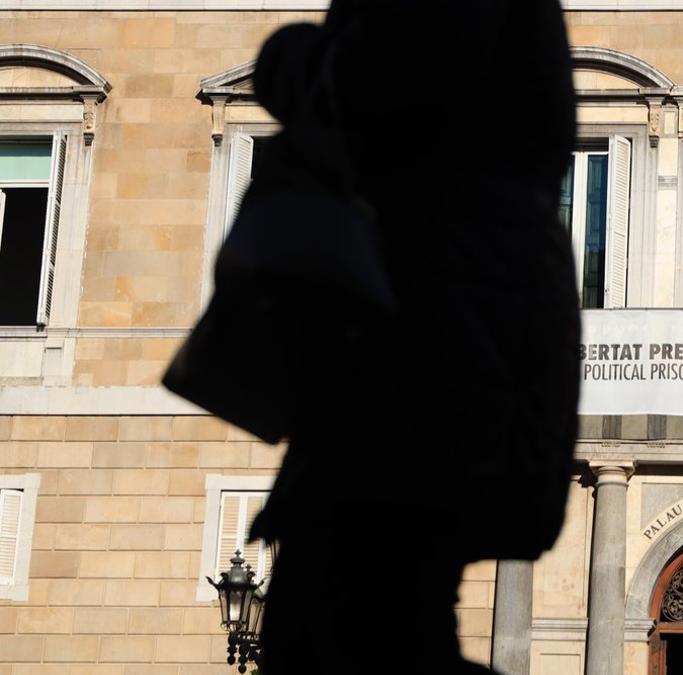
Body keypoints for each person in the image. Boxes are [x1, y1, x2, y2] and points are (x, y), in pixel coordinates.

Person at [222, 2, 580, 671]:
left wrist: (296, 58)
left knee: (340, 612)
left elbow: (380, 92)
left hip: (414, 328)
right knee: (394, 603)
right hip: (476, 327)